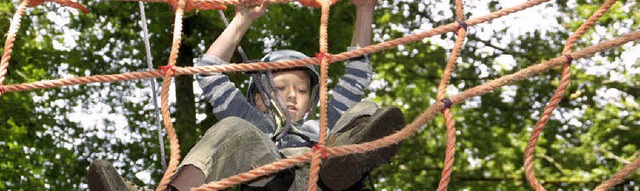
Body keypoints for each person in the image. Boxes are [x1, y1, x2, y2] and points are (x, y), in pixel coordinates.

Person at [87, 0, 405, 190]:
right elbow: (210, 70)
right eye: (279, 89)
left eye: (302, 90)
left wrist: (366, 8)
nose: (293, 96)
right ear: (258, 98)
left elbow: (358, 73)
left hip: (325, 178)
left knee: (364, 108)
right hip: (273, 181)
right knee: (232, 129)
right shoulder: (254, 121)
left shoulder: (323, 122)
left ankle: (345, 164)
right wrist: (243, 19)